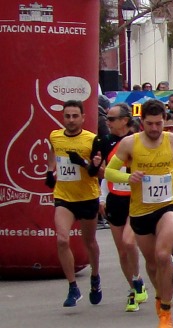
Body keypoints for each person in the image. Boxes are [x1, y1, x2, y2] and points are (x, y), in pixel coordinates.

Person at [105, 99, 173, 328]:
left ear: (165, 121)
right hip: (140, 210)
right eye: (149, 124)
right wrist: (128, 177)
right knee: (152, 263)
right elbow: (109, 172)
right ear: (141, 122)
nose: (154, 129)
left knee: (163, 254)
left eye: (158, 123)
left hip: (169, 205)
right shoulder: (129, 144)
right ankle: (160, 297)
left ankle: (166, 309)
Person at [46, 100, 102, 307]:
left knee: (90, 242)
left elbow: (100, 171)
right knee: (62, 240)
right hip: (64, 197)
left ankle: (95, 278)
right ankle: (72, 287)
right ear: (63, 117)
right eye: (67, 116)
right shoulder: (55, 135)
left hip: (87, 196)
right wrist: (49, 170)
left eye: (75, 116)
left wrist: (83, 162)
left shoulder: (91, 139)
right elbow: (53, 152)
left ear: (83, 117)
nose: (71, 120)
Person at [96, 103, 148, 312]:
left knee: (128, 243)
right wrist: (102, 197)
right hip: (114, 199)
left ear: (125, 120)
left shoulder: (139, 141)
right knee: (122, 250)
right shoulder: (106, 142)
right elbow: (105, 173)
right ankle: (134, 290)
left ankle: (137, 280)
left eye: (111, 119)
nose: (107, 123)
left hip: (135, 199)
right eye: (107, 119)